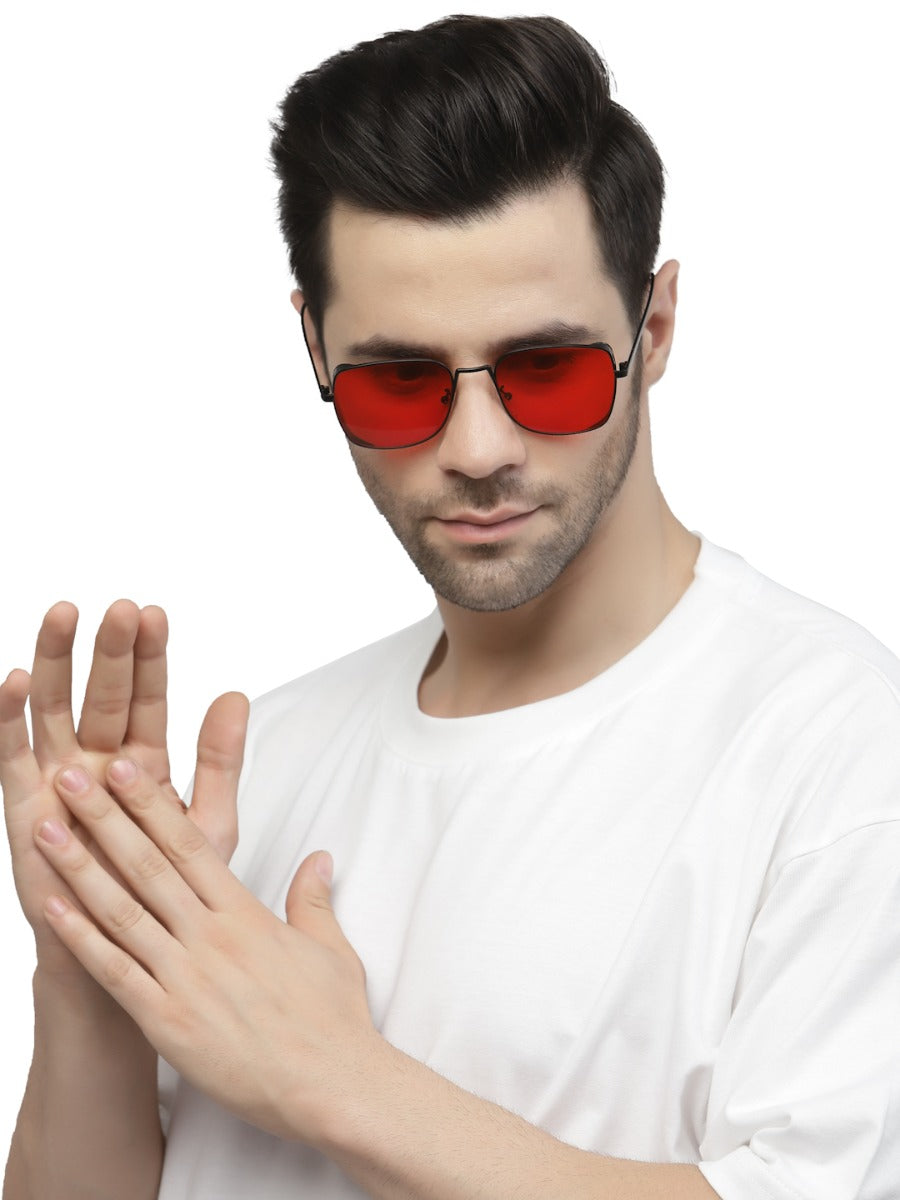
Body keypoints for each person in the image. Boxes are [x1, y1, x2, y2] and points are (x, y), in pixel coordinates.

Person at [2, 13, 898, 1200]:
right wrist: (88, 974)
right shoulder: (262, 766)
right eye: (401, 382)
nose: (478, 449)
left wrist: (337, 1081)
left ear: (655, 327)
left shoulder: (836, 751)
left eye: (547, 370)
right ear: (314, 350)